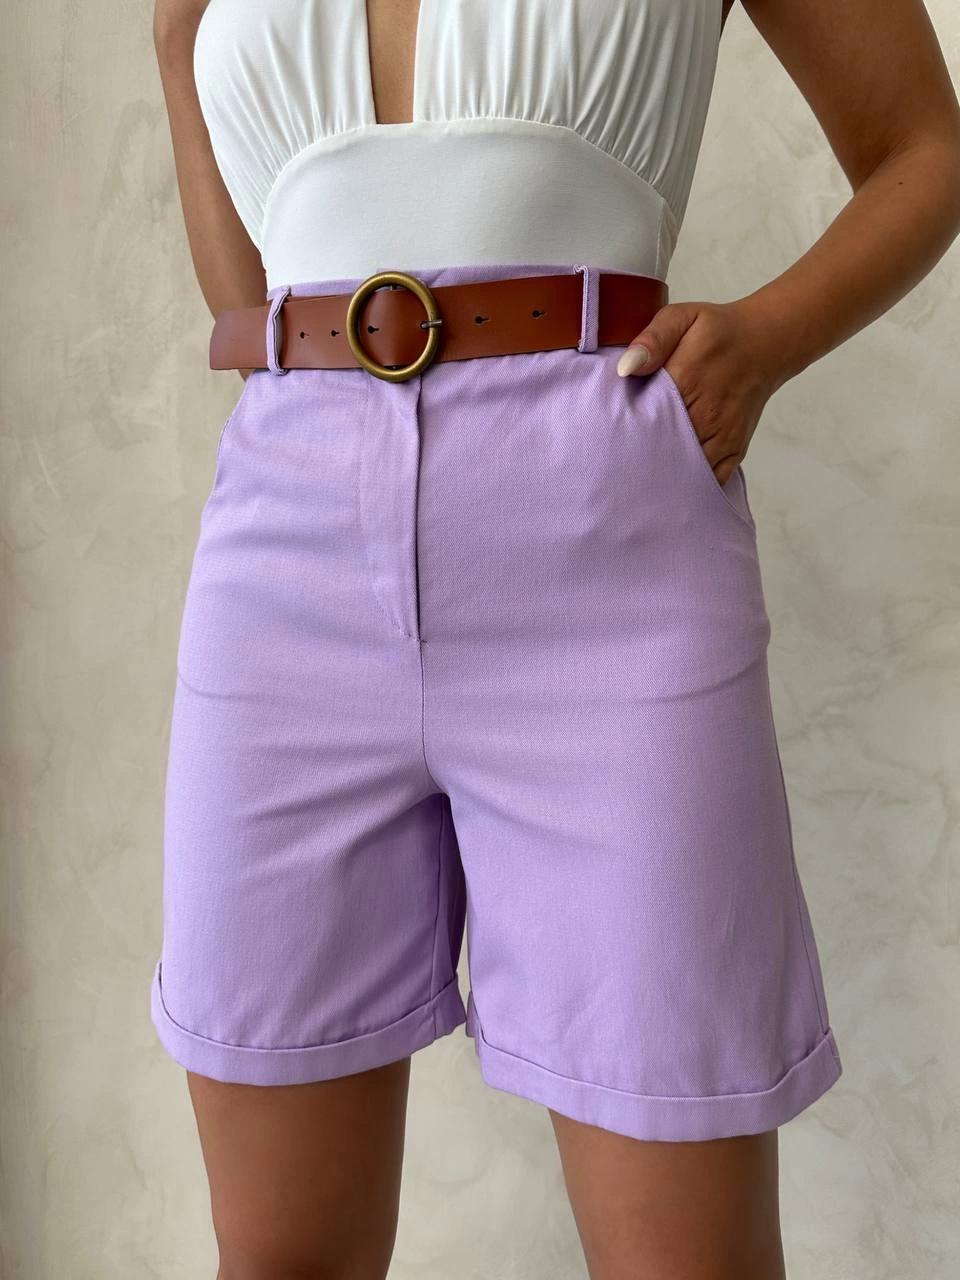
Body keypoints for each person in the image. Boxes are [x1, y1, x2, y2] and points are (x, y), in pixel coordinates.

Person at [149, 2, 960, 1276]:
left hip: (609, 549)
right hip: (284, 568)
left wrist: (765, 339)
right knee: (278, 1255)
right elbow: (252, 300)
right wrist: (172, 47)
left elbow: (925, 146)